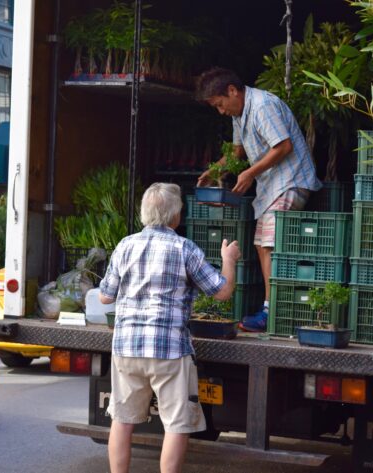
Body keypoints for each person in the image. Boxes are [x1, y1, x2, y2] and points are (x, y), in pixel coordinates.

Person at [99, 183, 241, 473]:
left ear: (143, 214)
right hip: (169, 350)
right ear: (176, 216)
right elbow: (222, 291)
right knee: (176, 424)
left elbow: (105, 296)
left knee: (122, 420)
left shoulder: (125, 246)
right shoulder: (184, 248)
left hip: (126, 347)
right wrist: (228, 260)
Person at [195, 67, 321, 332]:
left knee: (269, 244)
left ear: (232, 91)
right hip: (273, 186)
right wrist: (216, 170)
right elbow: (238, 151)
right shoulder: (239, 113)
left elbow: (283, 146)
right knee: (261, 244)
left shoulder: (263, 106)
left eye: (220, 104)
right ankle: (270, 308)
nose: (221, 111)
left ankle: (270, 312)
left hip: (292, 180)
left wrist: (250, 173)